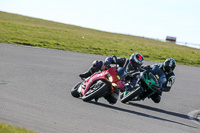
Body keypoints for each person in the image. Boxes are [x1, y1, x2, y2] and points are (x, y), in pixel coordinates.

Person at [79, 53, 144, 104]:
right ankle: (87, 74)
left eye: (138, 64)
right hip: (111, 73)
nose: (136, 65)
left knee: (113, 101)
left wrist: (126, 88)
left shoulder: (136, 74)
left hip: (118, 84)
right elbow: (112, 59)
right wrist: (107, 62)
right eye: (135, 63)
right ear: (131, 60)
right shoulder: (124, 61)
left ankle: (101, 93)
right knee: (99, 63)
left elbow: (133, 85)